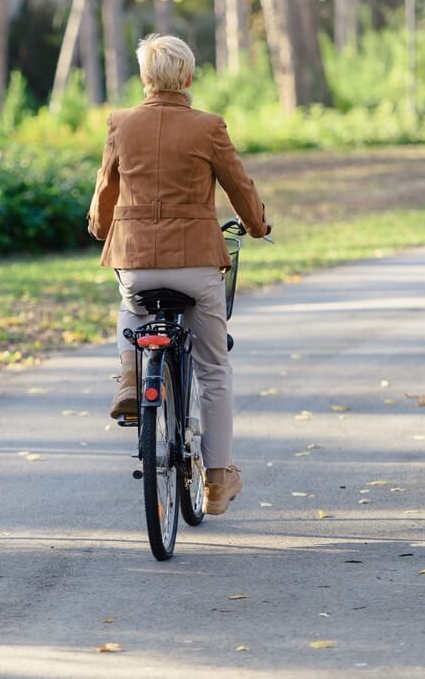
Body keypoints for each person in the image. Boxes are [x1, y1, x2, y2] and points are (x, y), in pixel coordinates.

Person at [87, 34, 271, 516]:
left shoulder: (120, 124)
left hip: (137, 262)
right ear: (187, 78)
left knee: (131, 304)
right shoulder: (208, 127)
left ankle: (130, 377)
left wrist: (103, 228)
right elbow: (239, 185)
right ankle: (216, 480)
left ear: (145, 79)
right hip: (196, 265)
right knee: (214, 368)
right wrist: (257, 225)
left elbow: (107, 188)